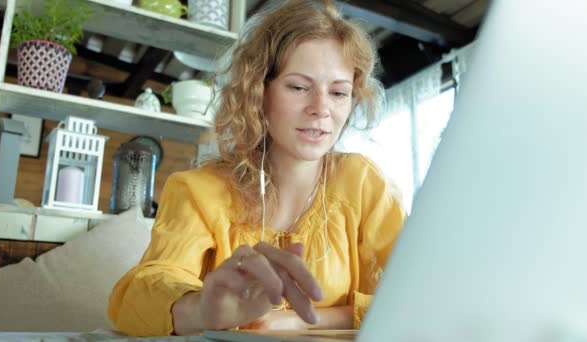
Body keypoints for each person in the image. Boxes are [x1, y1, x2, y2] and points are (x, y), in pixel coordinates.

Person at [108, 0, 405, 336]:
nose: (321, 109)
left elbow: (416, 293)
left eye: (339, 92)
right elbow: (145, 288)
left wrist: (297, 319)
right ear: (258, 90)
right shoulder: (197, 190)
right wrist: (203, 309)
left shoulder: (365, 184)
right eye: (298, 87)